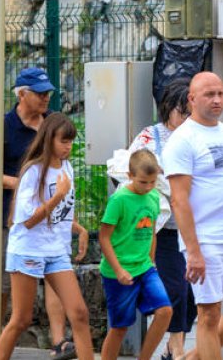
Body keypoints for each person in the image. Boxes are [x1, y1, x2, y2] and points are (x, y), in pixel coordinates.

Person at [0, 67, 74, 360]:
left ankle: (60, 343)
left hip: (52, 218)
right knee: (6, 285)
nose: (46, 97)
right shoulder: (3, 125)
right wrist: (24, 183)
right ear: (21, 94)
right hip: (14, 217)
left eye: (48, 93)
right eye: (40, 93)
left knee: (55, 275)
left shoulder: (50, 125)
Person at [161, 72, 223, 360]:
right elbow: (179, 200)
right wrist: (193, 252)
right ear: (192, 99)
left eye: (220, 93)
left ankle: (192, 357)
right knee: (209, 315)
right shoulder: (183, 140)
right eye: (209, 95)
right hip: (207, 240)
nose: (217, 100)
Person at [0, 112, 92, 360]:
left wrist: (79, 230)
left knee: (79, 313)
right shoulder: (33, 172)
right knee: (21, 319)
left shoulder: (67, 168)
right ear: (49, 140)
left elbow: (61, 214)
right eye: (64, 141)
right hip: (28, 249)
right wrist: (57, 195)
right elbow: (27, 221)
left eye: (71, 142)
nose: (68, 147)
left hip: (56, 251)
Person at [128, 79, 195, 360]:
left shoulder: (197, 135)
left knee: (193, 292)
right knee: (176, 288)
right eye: (182, 113)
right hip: (165, 228)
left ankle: (172, 345)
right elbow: (128, 167)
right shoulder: (151, 136)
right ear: (169, 109)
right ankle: (177, 346)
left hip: (192, 224)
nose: (186, 119)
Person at [99, 149, 172, 360]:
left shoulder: (153, 197)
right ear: (130, 176)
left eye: (152, 182)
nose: (148, 187)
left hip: (145, 268)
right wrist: (118, 270)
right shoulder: (119, 199)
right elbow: (104, 238)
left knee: (165, 311)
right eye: (143, 182)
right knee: (120, 328)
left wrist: (151, 260)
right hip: (118, 271)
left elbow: (152, 232)